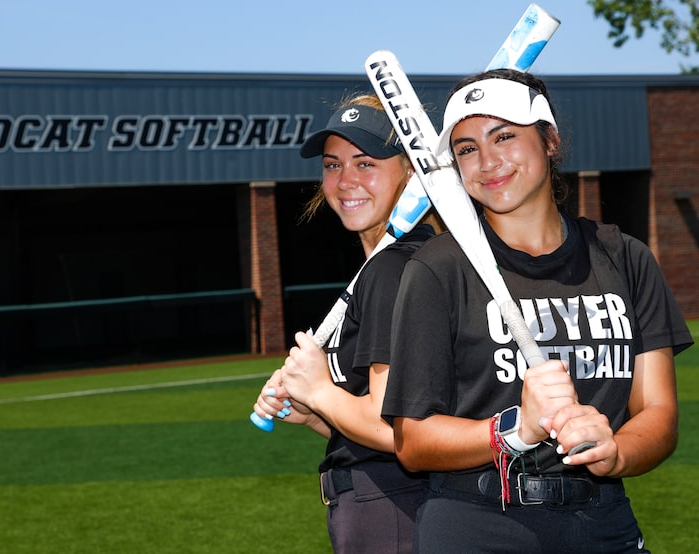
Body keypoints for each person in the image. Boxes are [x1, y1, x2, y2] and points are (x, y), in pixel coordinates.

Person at [381, 68, 694, 553]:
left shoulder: (624, 257)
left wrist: (617, 452)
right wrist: (514, 430)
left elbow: (658, 413)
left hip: (602, 519)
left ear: (550, 139)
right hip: (477, 525)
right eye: (466, 149)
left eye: (504, 136)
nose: (487, 161)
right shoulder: (436, 270)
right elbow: (413, 441)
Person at [252, 93, 438, 553]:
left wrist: (320, 390)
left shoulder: (392, 269)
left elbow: (399, 433)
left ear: (411, 172)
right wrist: (318, 413)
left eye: (365, 163)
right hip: (394, 499)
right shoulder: (413, 259)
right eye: (333, 165)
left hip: (390, 505)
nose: (345, 181)